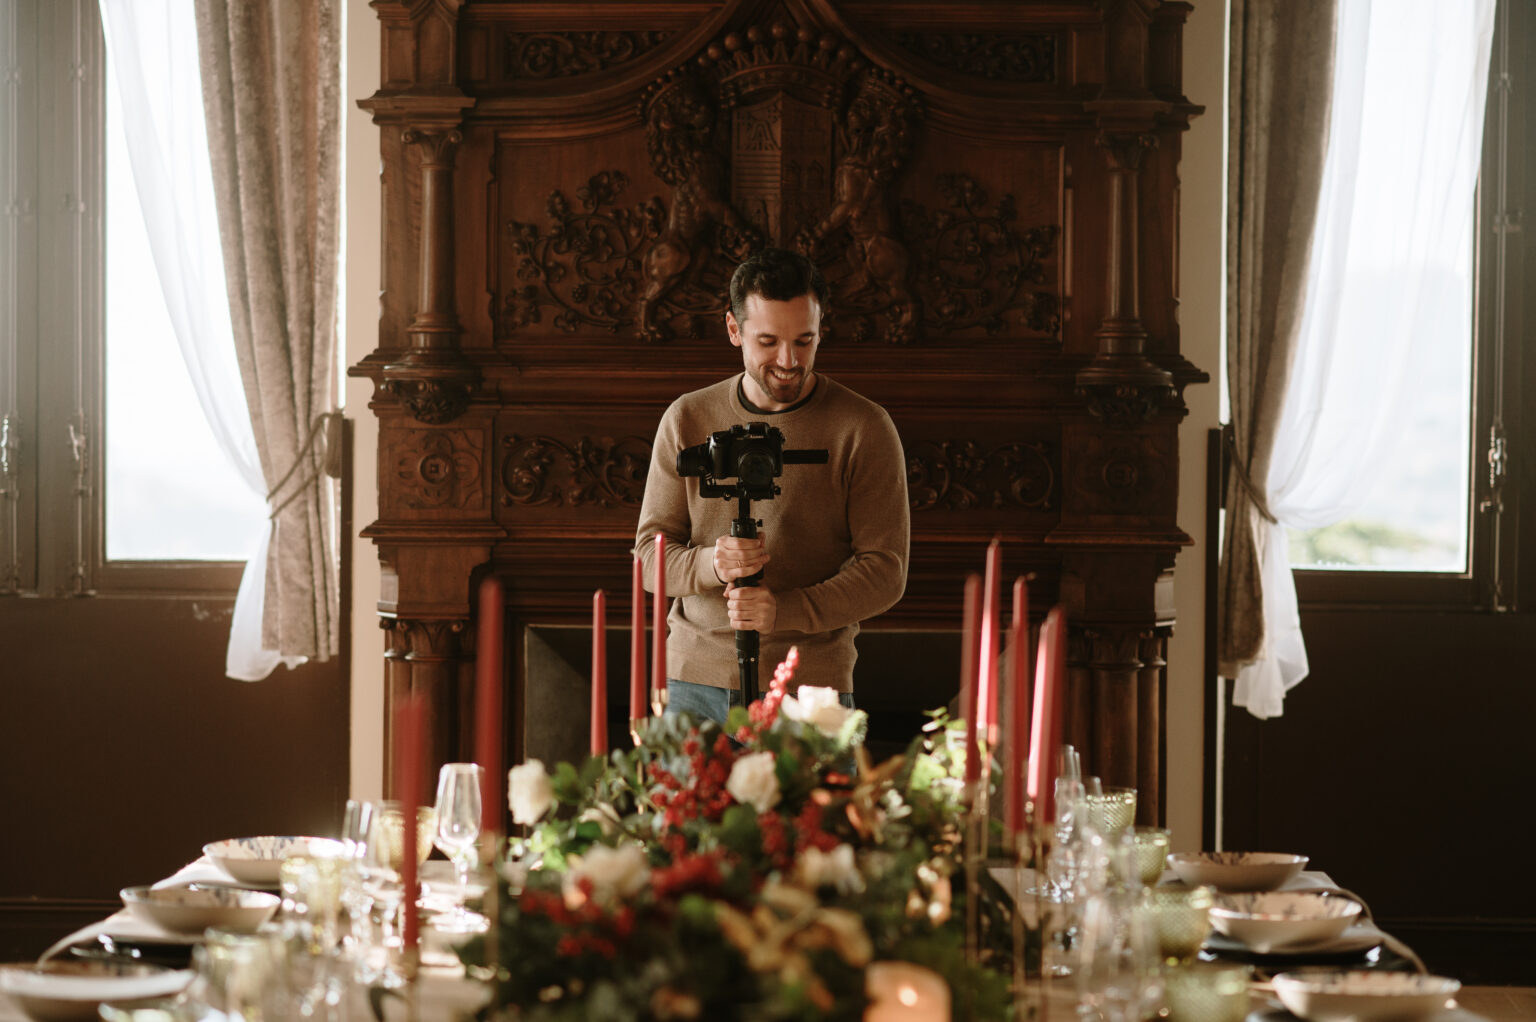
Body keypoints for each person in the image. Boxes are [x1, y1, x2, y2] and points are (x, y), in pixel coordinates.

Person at [635, 247, 910, 725]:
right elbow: (647, 559)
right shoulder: (687, 417)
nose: (789, 360)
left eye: (805, 341)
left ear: (822, 328)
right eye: (768, 342)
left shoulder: (863, 427)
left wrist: (782, 611)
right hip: (694, 685)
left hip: (812, 690)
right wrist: (712, 563)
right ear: (733, 330)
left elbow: (885, 570)